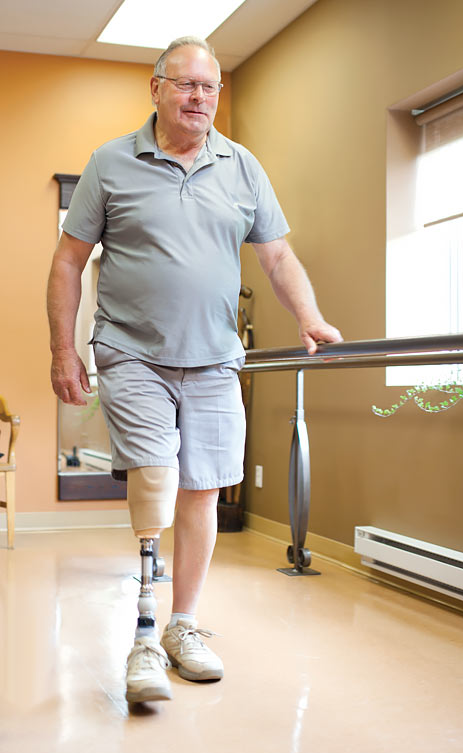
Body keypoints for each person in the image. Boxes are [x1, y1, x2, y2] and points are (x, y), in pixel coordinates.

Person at [47, 36, 342, 705]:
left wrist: (308, 316)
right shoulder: (111, 163)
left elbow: (275, 257)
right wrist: (64, 350)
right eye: (184, 86)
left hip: (214, 359)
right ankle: (144, 636)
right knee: (156, 477)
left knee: (203, 488)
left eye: (208, 88)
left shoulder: (241, 167)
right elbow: (68, 261)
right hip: (132, 350)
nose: (198, 99)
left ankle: (184, 626)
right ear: (155, 88)